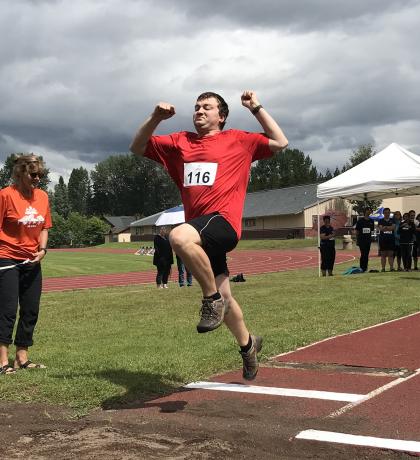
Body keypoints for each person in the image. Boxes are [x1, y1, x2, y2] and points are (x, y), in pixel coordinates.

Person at [130, 90, 288, 380]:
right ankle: (248, 346)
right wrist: (155, 117)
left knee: (178, 238)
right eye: (196, 107)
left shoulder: (239, 139)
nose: (199, 111)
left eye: (207, 107)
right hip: (201, 231)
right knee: (227, 296)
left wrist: (256, 108)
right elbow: (137, 146)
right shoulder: (180, 142)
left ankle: (210, 299)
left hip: (224, 223)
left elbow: (280, 141)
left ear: (221, 116)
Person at [0, 154, 52, 375]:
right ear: (20, 172)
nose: (37, 178)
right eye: (33, 174)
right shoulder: (5, 195)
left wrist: (42, 250)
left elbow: (44, 227)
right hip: (6, 257)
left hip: (32, 259)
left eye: (40, 175)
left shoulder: (42, 197)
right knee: (7, 310)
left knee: (30, 309)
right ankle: (2, 360)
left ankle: (22, 357)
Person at [355, 207, 374, 272]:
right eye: (368, 210)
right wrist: (357, 240)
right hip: (361, 240)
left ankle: (365, 268)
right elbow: (357, 231)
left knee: (366, 254)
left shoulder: (371, 221)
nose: (369, 212)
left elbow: (371, 230)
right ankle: (362, 268)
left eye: (370, 211)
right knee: (363, 254)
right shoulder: (360, 221)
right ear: (365, 211)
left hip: (368, 240)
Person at [378, 208, 395, 272]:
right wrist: (388, 228)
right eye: (385, 212)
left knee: (391, 255)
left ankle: (391, 268)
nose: (387, 214)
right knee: (383, 255)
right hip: (383, 240)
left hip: (391, 240)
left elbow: (393, 228)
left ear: (389, 213)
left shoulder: (392, 220)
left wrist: (385, 227)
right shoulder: (381, 220)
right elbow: (381, 229)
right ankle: (383, 268)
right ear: (383, 213)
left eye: (388, 212)